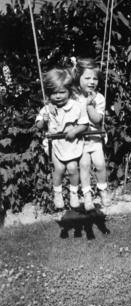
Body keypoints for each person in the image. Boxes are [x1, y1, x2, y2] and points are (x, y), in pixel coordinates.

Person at [36, 68, 88, 210]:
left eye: (62, 92)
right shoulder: (47, 108)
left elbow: (84, 125)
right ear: (49, 93)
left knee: (72, 168)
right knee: (58, 168)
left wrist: (75, 130)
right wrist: (44, 120)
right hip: (55, 143)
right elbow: (39, 126)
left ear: (69, 91)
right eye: (54, 93)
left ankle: (73, 193)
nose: (58, 96)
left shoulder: (76, 106)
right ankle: (57, 193)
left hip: (71, 143)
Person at [71, 57, 111, 211]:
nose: (92, 81)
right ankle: (87, 195)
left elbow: (97, 120)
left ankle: (102, 190)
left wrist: (89, 105)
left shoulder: (99, 98)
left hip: (94, 139)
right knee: (85, 166)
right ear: (78, 78)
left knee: (100, 165)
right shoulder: (72, 98)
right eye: (87, 78)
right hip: (80, 141)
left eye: (95, 78)